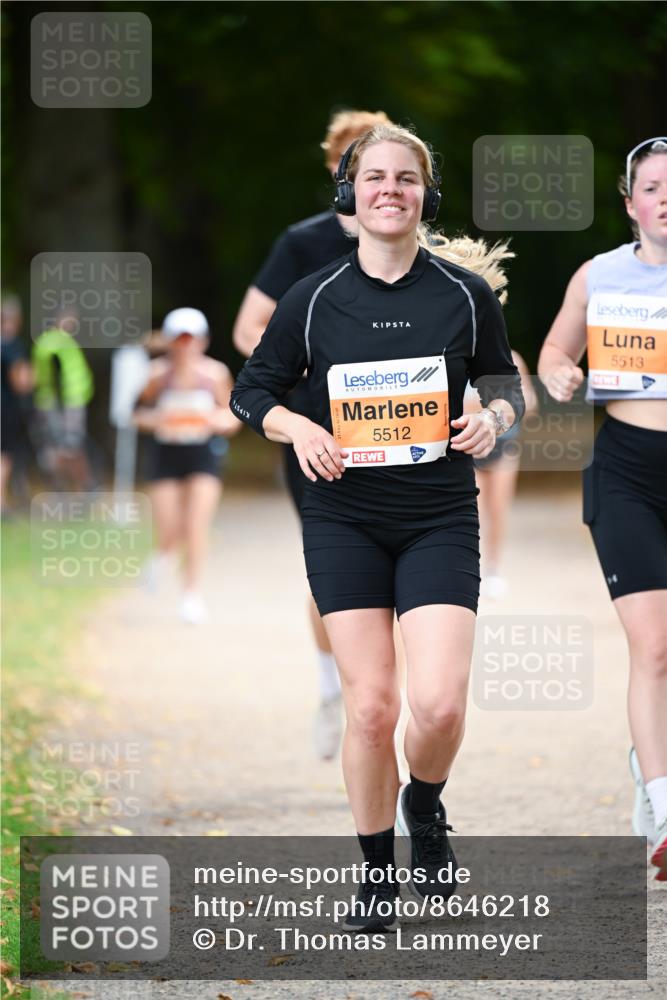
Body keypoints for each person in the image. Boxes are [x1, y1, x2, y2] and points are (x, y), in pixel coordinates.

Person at [231, 123, 524, 930]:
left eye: (404, 179)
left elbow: (505, 382)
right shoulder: (315, 295)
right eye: (373, 178)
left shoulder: (463, 294)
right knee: (369, 708)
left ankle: (422, 808)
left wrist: (492, 419)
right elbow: (252, 390)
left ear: (424, 196)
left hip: (435, 515)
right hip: (343, 518)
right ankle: (374, 875)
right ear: (349, 195)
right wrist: (302, 429)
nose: (388, 189)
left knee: (436, 708)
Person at [232, 109, 393, 761]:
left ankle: (382, 706)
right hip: (317, 436)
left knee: (403, 568)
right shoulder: (302, 243)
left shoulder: (415, 236)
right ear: (334, 171)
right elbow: (248, 330)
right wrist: (294, 372)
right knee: (334, 568)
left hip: (400, 431)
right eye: (349, 161)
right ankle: (335, 691)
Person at [538, 137, 667, 882]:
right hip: (625, 471)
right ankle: (661, 803)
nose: (665, 199)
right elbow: (556, 350)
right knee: (652, 647)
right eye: (652, 188)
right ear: (630, 204)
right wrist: (559, 374)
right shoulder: (599, 275)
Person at [133, 307, 241, 624]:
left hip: (203, 455)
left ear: (202, 341)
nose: (185, 346)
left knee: (196, 526)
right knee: (170, 527)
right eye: (179, 339)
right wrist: (156, 419)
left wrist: (216, 420)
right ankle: (162, 555)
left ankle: (190, 595)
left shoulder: (215, 374)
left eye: (190, 339)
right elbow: (136, 413)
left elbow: (233, 414)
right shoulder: (155, 374)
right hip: (166, 455)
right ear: (169, 342)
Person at [465, 350, 538, 598]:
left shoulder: (513, 358)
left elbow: (530, 402)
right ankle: (469, 568)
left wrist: (502, 406)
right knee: (472, 512)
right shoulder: (456, 356)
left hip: (503, 445)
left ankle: (494, 570)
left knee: (497, 509)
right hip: (468, 446)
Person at [31, 308, 95, 491]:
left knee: (68, 446)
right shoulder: (54, 342)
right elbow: (50, 372)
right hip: (62, 403)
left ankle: (76, 487)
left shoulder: (59, 341)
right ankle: (69, 486)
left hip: (69, 400)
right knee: (65, 446)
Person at [1, 295, 33, 514]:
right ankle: (1, 503)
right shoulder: (12, 345)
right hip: (6, 407)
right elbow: (20, 382)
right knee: (4, 455)